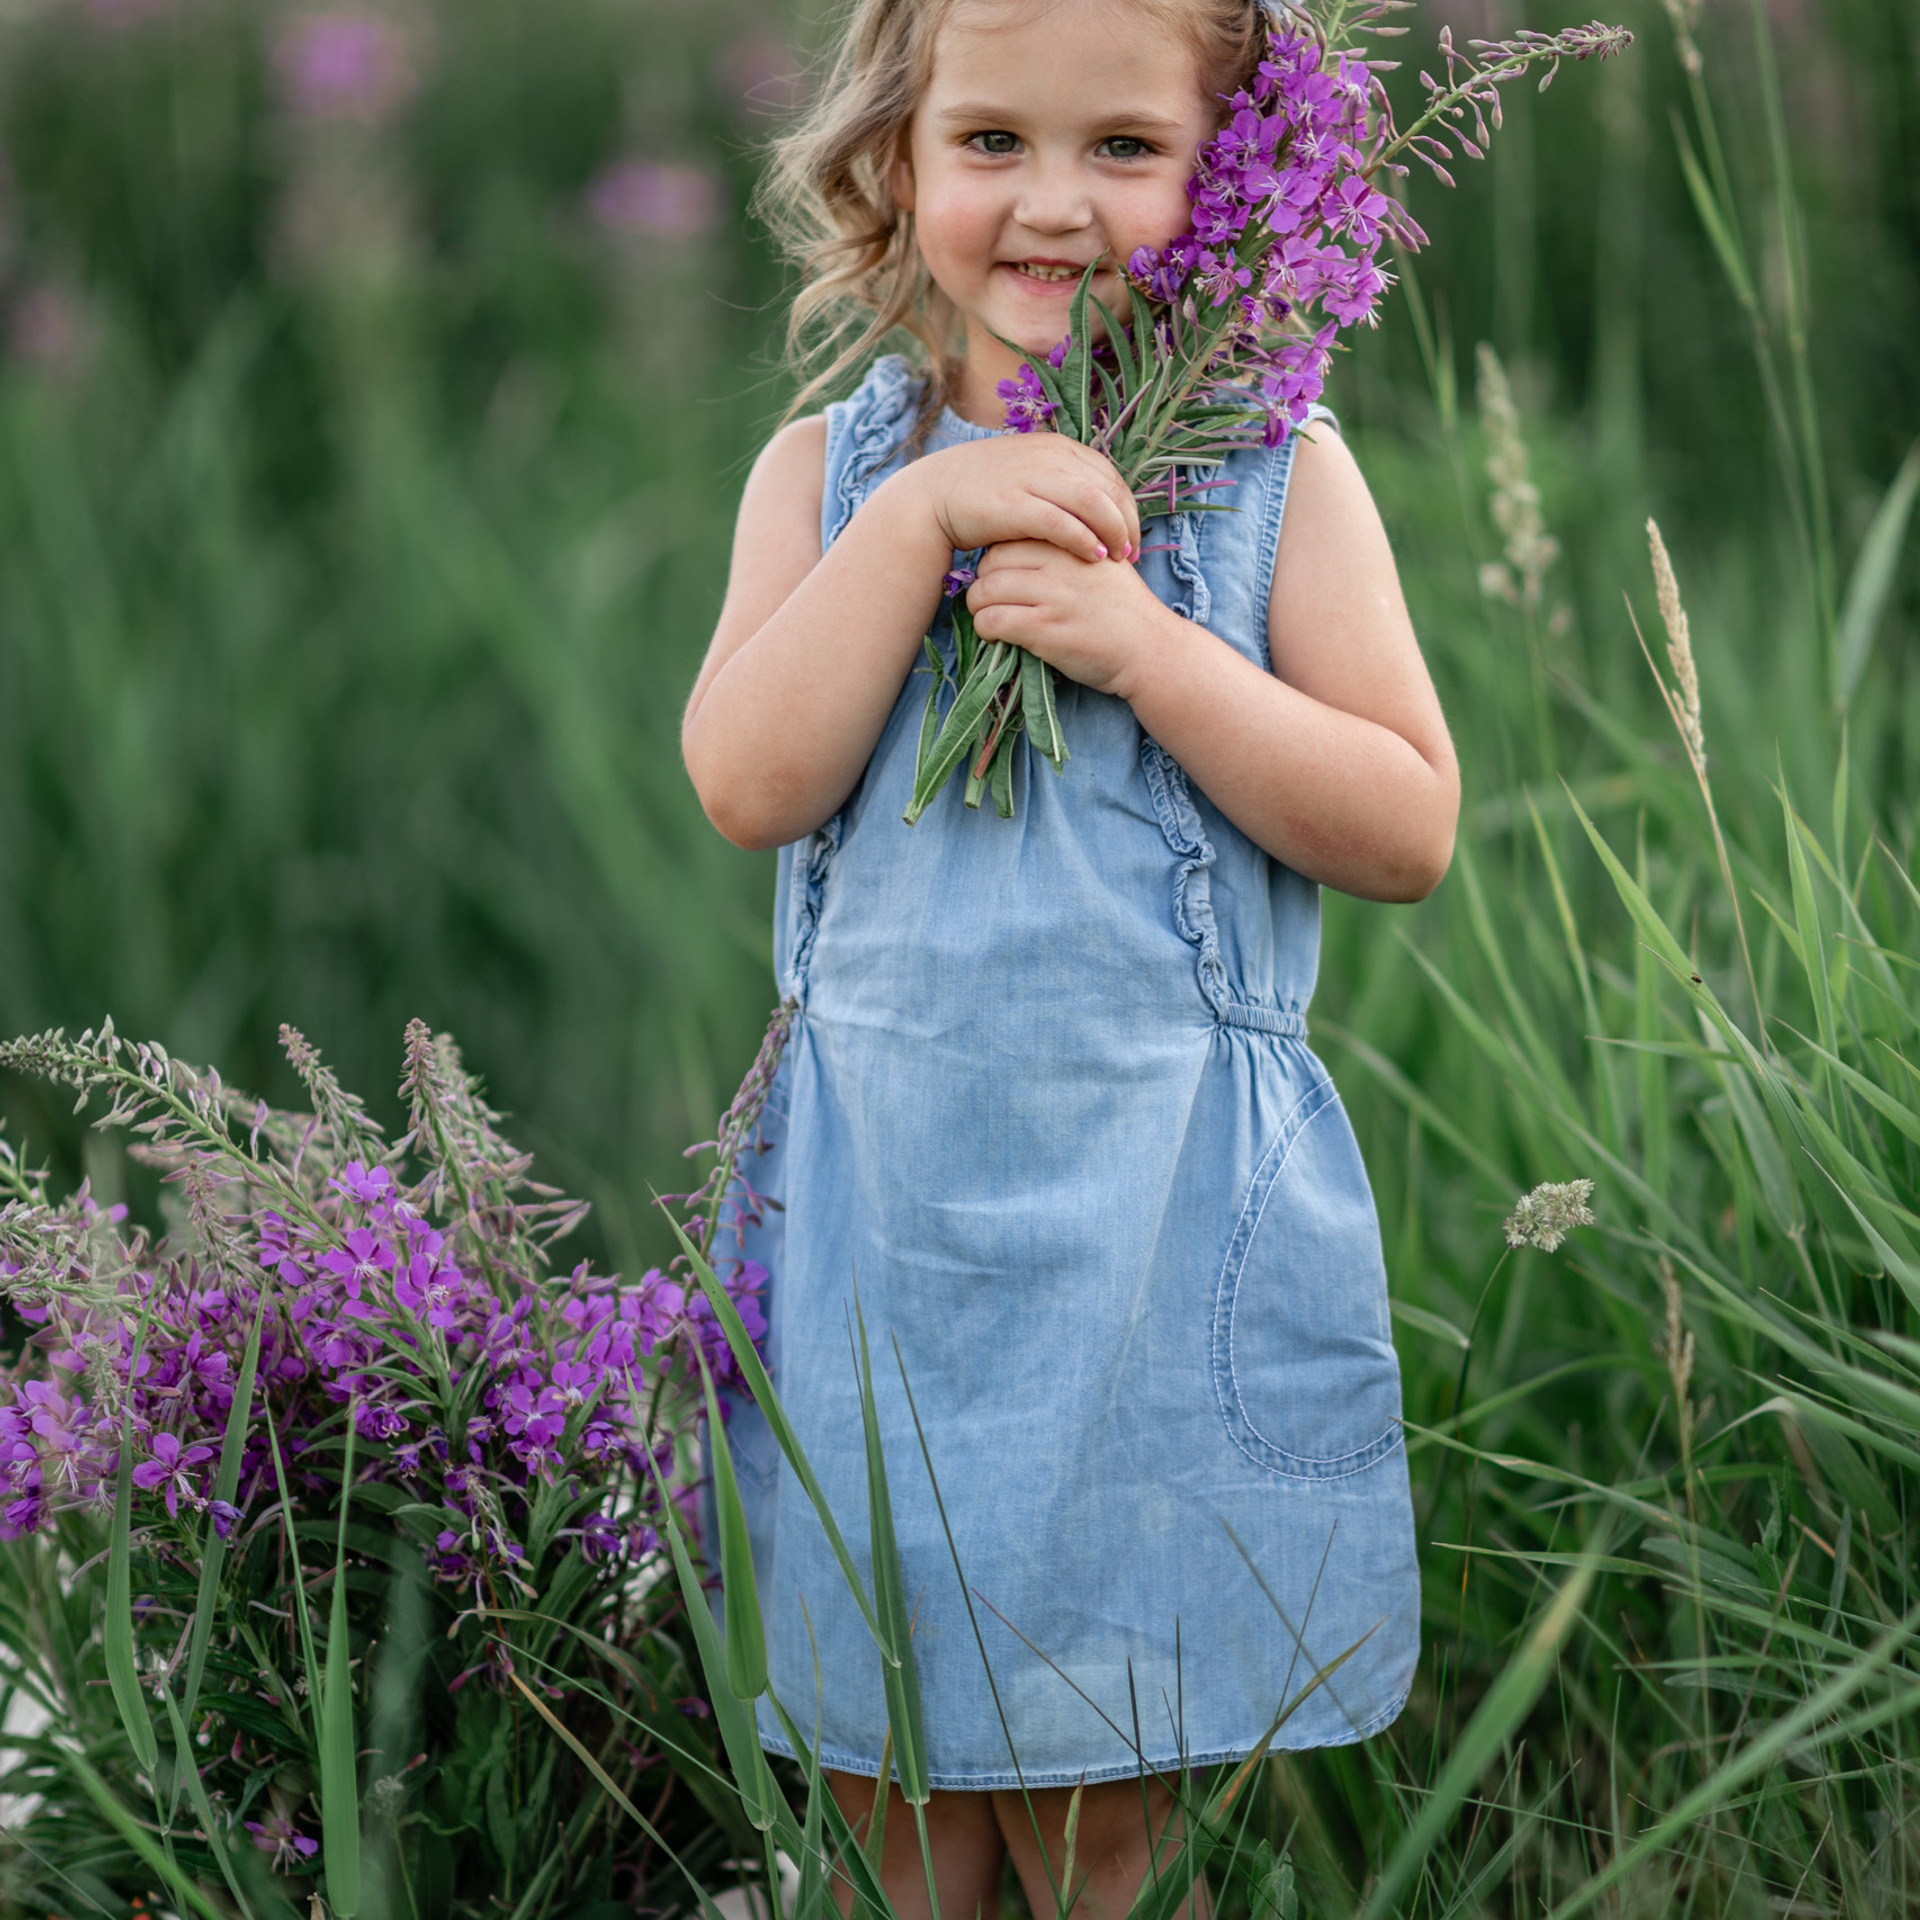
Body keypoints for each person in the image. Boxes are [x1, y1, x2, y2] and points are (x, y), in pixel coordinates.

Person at [682, 0, 1459, 1912]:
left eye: (1126, 148)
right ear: (895, 157)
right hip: (889, 1241)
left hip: (1148, 1242)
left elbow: (1406, 821)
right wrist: (917, 525)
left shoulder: (1281, 479)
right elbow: (745, 780)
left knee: (1099, 1809)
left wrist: (1148, 653)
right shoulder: (824, 475)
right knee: (889, 1801)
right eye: (992, 145)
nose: (1055, 204)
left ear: (1235, 182)